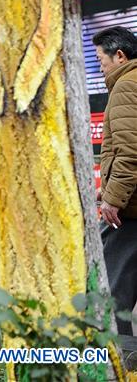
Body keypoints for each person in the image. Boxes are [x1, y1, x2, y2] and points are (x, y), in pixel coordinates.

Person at [93, 25, 137, 335]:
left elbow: (129, 151)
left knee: (110, 298)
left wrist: (113, 197)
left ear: (119, 55)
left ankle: (119, 366)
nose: (100, 67)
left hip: (130, 212)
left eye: (100, 61)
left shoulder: (125, 86)